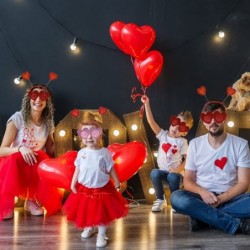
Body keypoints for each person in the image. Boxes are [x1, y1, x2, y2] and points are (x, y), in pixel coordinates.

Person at [171, 101, 250, 235]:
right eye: (208, 118)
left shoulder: (241, 144)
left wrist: (219, 199)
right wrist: (202, 192)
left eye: (218, 117)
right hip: (200, 197)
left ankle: (202, 217)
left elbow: (244, 183)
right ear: (204, 121)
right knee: (176, 198)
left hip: (230, 197)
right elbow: (188, 180)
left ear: (225, 118)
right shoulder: (195, 144)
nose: (213, 122)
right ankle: (234, 224)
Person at [62, 116, 128, 248]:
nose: (90, 137)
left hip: (102, 188)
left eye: (94, 133)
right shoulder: (81, 153)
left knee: (101, 213)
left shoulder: (105, 153)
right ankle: (89, 227)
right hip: (84, 189)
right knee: (87, 210)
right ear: (81, 136)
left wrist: (116, 180)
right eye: (85, 134)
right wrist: (73, 183)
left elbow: (111, 168)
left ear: (100, 135)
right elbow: (78, 169)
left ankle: (102, 234)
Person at [0, 83, 63, 221]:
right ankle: (7, 202)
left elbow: (51, 148)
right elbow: (1, 150)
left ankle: (31, 200)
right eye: (34, 95)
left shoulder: (48, 123)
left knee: (42, 158)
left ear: (48, 101)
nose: (38, 100)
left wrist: (64, 142)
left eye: (43, 96)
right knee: (15, 159)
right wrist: (20, 148)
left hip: (35, 163)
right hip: (14, 163)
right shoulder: (17, 118)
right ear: (28, 98)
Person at [141, 95, 193, 212]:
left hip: (175, 174)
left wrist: (179, 169)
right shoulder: (163, 135)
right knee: (154, 172)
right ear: (172, 121)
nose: (176, 127)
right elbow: (151, 122)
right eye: (176, 122)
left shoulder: (182, 142)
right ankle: (160, 199)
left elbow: (188, 159)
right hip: (163, 171)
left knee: (172, 176)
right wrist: (147, 104)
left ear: (184, 133)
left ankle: (176, 202)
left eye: (182, 127)